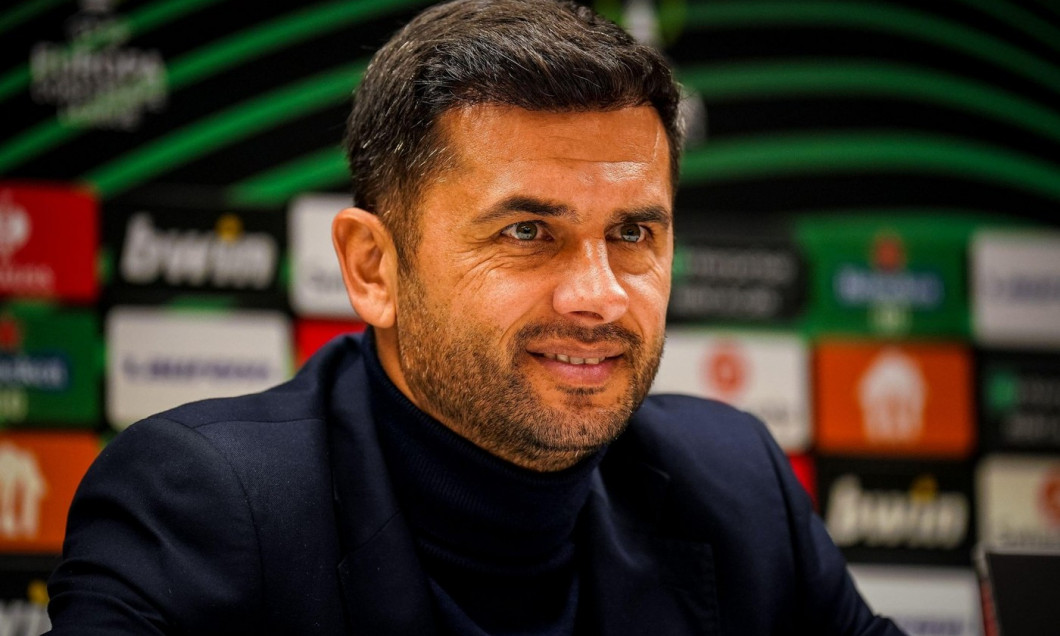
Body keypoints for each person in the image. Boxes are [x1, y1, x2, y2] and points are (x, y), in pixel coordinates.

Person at [47, 0, 903, 634]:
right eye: (528, 232)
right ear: (372, 269)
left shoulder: (737, 488)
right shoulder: (203, 504)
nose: (599, 295)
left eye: (634, 233)